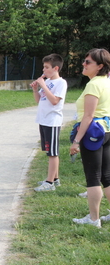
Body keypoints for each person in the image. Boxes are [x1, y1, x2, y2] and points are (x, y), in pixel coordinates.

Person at [71, 48, 110, 228]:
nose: (83, 64)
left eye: (88, 62)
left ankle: (94, 219)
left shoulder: (94, 85)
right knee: (107, 176)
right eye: (84, 61)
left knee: (93, 177)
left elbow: (88, 115)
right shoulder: (107, 82)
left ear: (100, 66)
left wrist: (77, 140)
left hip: (93, 134)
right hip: (107, 132)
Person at [30, 54, 68, 192]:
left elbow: (54, 101)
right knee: (48, 150)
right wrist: (36, 89)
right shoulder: (48, 82)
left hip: (52, 121)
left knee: (53, 153)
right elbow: (39, 100)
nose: (44, 70)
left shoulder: (60, 83)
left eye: (47, 67)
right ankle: (55, 179)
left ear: (55, 68)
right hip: (43, 120)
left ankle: (49, 182)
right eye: (43, 67)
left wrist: (43, 85)